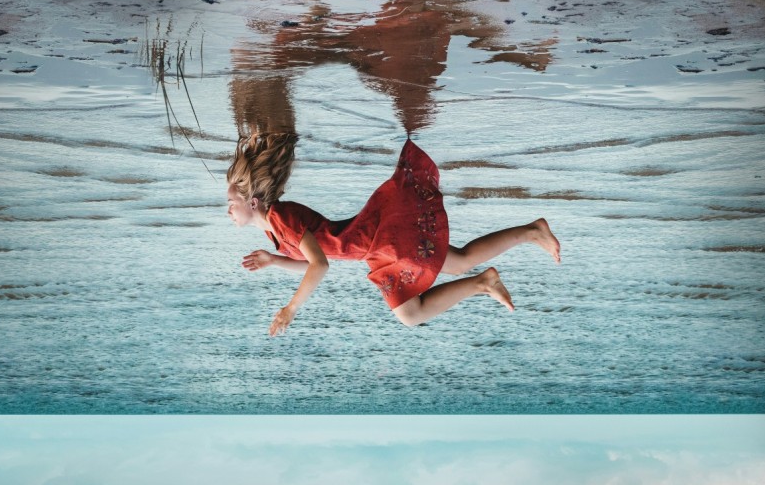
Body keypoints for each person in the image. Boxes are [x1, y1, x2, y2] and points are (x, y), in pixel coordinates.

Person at [227, 132, 561, 337]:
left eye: (231, 202)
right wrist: (274, 260)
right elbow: (316, 260)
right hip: (374, 247)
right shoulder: (276, 232)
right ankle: (519, 245)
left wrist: (291, 308)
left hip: (379, 238)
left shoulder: (282, 218)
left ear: (252, 201)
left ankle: (498, 267)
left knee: (411, 312)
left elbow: (320, 266)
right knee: (455, 266)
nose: (228, 210)